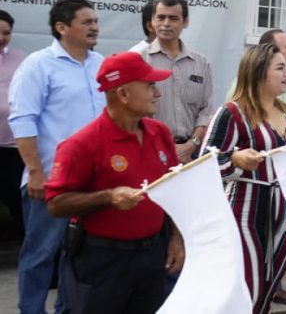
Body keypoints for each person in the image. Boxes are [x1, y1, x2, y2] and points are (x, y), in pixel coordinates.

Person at [43, 52, 184, 314]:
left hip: (152, 254)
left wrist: (176, 239)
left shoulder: (160, 133)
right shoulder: (82, 144)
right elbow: (56, 203)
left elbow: (173, 187)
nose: (157, 93)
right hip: (102, 261)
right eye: (150, 85)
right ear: (123, 94)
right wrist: (108, 197)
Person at [7, 0, 106, 314]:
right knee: (41, 253)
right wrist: (35, 172)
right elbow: (23, 120)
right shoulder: (38, 64)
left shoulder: (100, 63)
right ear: (62, 28)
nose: (94, 27)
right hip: (51, 179)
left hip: (93, 181)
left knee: (77, 254)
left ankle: (68, 309)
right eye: (86, 22)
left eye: (95, 21)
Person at [205, 44, 286, 312]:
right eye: (280, 68)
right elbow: (204, 163)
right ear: (259, 72)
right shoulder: (232, 112)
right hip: (245, 210)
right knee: (249, 287)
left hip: (284, 210)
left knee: (270, 287)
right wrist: (235, 159)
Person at [140, 0, 214, 160]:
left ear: (185, 22)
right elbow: (135, 112)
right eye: (161, 18)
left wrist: (191, 145)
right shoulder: (139, 60)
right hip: (151, 151)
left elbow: (206, 109)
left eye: (173, 18)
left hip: (192, 153)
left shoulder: (201, 63)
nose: (166, 24)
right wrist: (163, 146)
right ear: (152, 21)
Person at [0, 9, 28, 240]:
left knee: (17, 200)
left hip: (12, 146)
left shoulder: (21, 58)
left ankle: (23, 246)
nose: (2, 37)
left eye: (6, 32)